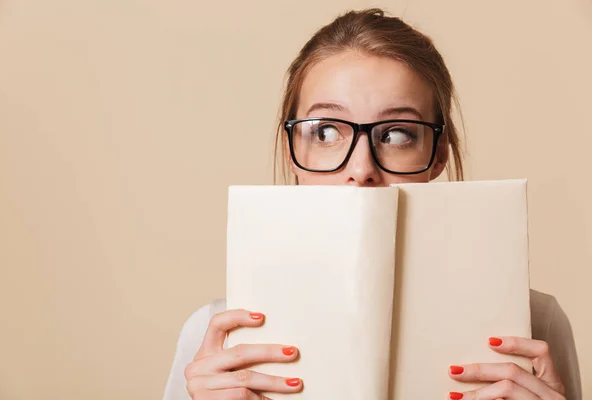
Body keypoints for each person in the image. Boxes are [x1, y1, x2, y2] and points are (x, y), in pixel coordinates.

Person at [162, 8, 582, 400]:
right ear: (293, 151)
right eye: (325, 131)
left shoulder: (535, 324)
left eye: (397, 134)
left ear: (437, 155)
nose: (361, 169)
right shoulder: (215, 336)